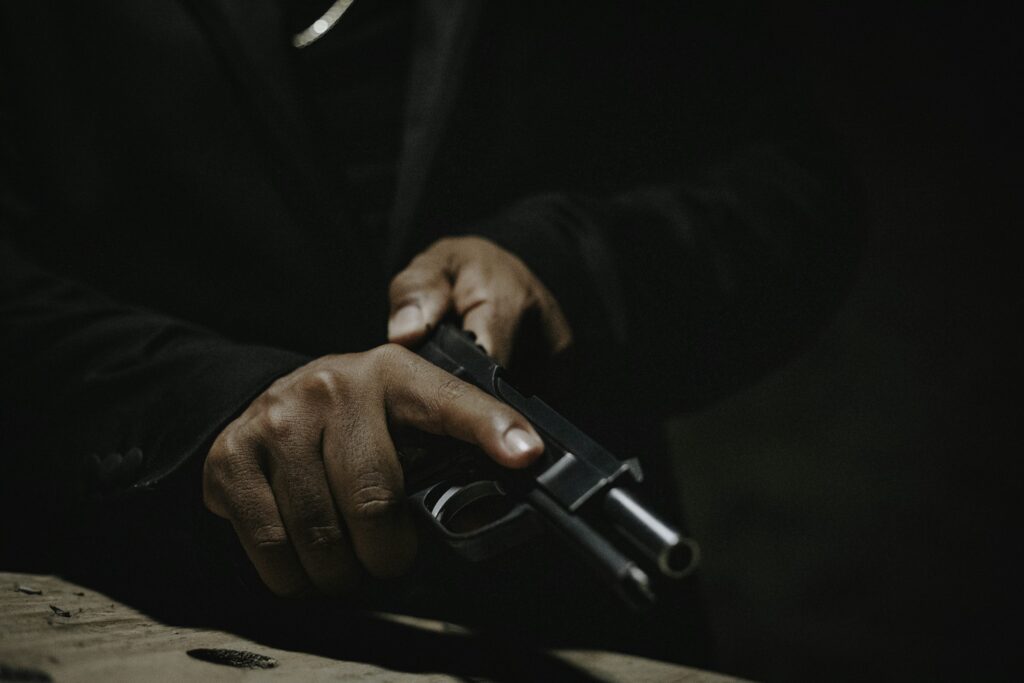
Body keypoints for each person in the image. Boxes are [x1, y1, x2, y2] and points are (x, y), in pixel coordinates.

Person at [0, 0, 860, 665]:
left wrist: (566, 267)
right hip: (155, 601)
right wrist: (214, 401)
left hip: (560, 612)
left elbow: (791, 180)